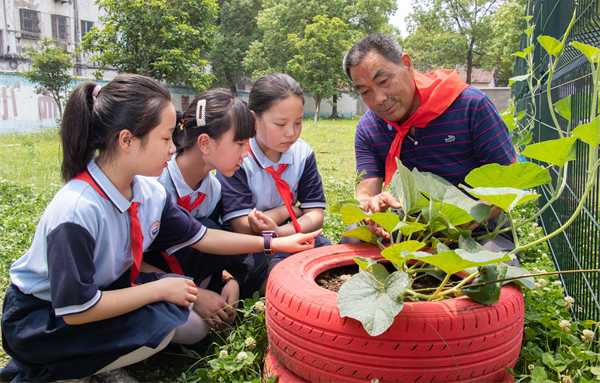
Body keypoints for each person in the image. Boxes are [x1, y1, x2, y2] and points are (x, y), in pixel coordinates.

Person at [0, 74, 320, 382]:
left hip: (102, 294)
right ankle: (44, 371)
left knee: (171, 317)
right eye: (166, 138)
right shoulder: (77, 209)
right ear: (127, 140)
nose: (173, 148)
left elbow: (203, 236)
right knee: (167, 313)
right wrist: (159, 288)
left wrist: (274, 245)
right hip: (41, 318)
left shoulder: (148, 192)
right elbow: (77, 309)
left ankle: (70, 368)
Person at [341, 33, 518, 257]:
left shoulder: (470, 106)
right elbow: (366, 190)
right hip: (410, 222)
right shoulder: (369, 128)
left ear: (407, 64)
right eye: (365, 92)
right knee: (354, 234)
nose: (379, 99)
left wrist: (460, 222)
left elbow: (508, 182)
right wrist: (370, 207)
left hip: (478, 224)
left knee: (493, 275)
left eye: (383, 81)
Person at [144, 89, 256, 331]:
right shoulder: (154, 186)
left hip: (187, 276)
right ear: (205, 143)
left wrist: (230, 278)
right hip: (149, 280)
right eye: (239, 143)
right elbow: (131, 261)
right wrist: (195, 294)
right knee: (194, 329)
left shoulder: (213, 189)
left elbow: (211, 249)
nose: (246, 154)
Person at [217, 73, 331, 297]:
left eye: (298, 122)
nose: (291, 132)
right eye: (281, 124)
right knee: (284, 280)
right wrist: (290, 213)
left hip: (292, 231)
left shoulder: (302, 153)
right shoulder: (238, 156)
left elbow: (315, 214)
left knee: (330, 263)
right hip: (251, 244)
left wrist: (281, 232)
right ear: (254, 119)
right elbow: (242, 226)